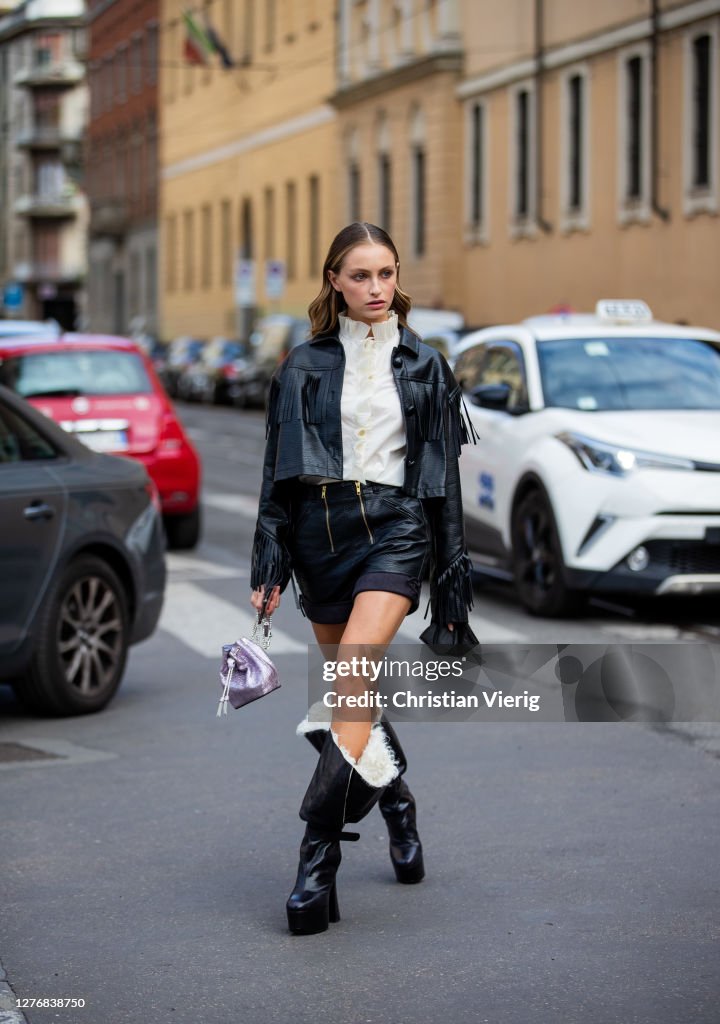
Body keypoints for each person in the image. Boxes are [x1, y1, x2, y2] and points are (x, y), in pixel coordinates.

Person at [250, 222, 476, 935]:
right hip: (320, 533)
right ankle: (398, 801)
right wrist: (270, 560)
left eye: (386, 274)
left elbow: (444, 480)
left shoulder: (425, 364)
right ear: (335, 283)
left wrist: (450, 577)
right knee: (353, 697)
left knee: (351, 673)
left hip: (396, 528)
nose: (377, 288)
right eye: (361, 276)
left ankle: (316, 859)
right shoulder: (302, 365)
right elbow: (276, 473)